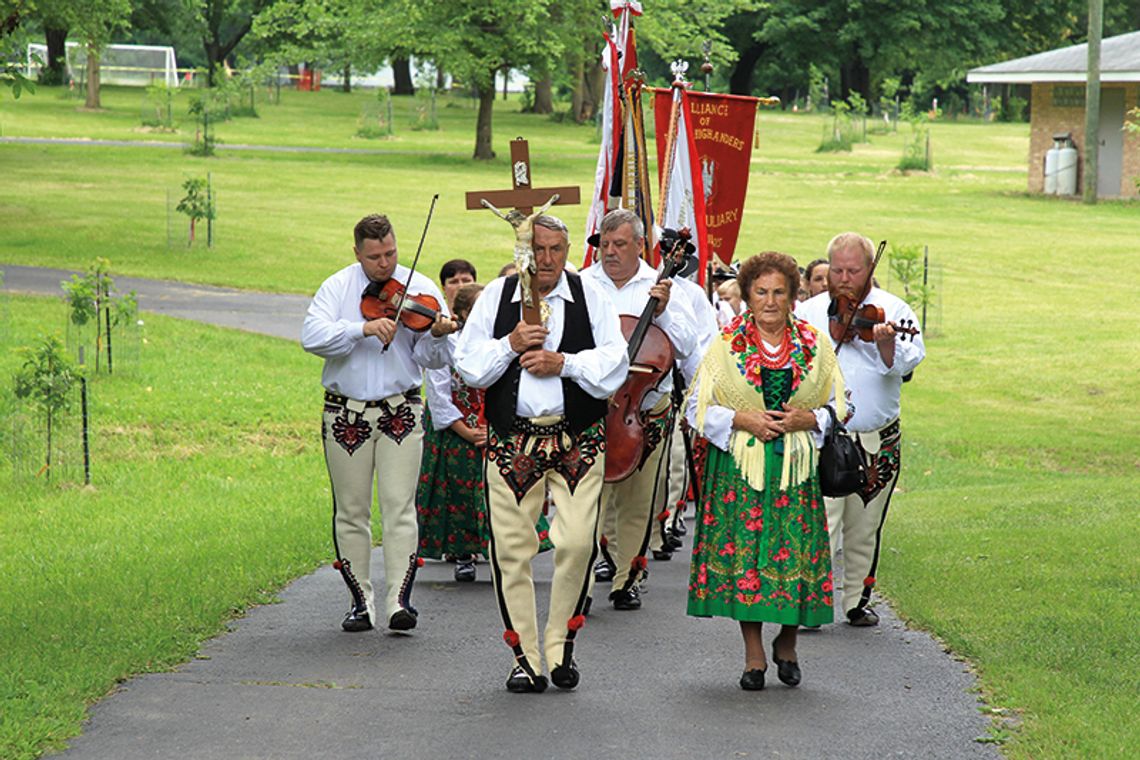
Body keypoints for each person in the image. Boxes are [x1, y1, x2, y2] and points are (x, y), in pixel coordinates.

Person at [454, 214, 628, 693]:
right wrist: (510, 345)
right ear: (522, 250)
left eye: (556, 249)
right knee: (511, 550)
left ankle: (560, 645)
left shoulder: (589, 294)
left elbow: (615, 363)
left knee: (575, 544)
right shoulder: (497, 296)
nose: (547, 260)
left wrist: (564, 364)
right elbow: (468, 365)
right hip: (513, 441)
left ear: (568, 249)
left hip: (577, 438)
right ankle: (525, 657)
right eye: (539, 249)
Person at [687, 252, 844, 690]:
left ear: (794, 297)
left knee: (796, 554)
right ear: (747, 295)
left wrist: (808, 420)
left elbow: (842, 406)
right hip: (740, 468)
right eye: (761, 292)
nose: (770, 301)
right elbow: (695, 408)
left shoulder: (815, 343)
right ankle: (754, 655)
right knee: (748, 560)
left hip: (795, 468)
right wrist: (743, 419)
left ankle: (788, 642)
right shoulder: (724, 344)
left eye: (779, 292)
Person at [301, 213, 458, 633]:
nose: (384, 265)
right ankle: (360, 600)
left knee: (399, 506)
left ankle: (397, 602)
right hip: (344, 411)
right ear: (358, 254)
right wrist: (362, 328)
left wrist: (439, 335)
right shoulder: (337, 287)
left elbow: (433, 360)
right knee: (351, 511)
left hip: (401, 410)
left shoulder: (419, 288)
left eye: (390, 253)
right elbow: (311, 337)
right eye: (374, 257)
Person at [796, 232, 925, 626]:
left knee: (865, 523)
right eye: (837, 270)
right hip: (824, 434)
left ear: (870, 269)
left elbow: (907, 363)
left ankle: (856, 600)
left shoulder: (892, 310)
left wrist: (885, 345)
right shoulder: (810, 313)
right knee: (821, 522)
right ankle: (811, 604)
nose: (844, 278)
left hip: (875, 436)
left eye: (853, 270)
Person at [580, 210, 699, 612]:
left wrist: (663, 312)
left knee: (637, 496)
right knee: (588, 494)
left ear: (638, 246)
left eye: (619, 245)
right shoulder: (582, 284)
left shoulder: (664, 286)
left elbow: (684, 347)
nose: (609, 253)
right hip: (591, 407)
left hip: (644, 408)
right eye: (604, 245)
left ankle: (627, 576)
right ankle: (586, 567)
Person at [417, 283, 554, 582]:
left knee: (502, 492)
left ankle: (503, 552)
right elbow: (439, 395)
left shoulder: (502, 342)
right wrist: (467, 432)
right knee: (461, 493)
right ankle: (464, 553)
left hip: (497, 424)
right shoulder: (449, 344)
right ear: (463, 313)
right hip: (460, 430)